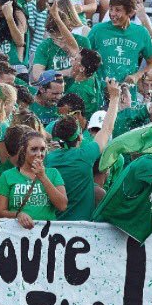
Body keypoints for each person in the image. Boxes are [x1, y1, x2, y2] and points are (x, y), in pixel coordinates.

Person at [47, 79, 120, 222]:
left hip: (52, 229)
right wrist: (114, 98)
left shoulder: (47, 158)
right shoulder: (85, 155)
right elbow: (106, 130)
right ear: (80, 137)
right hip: (82, 230)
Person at [88, 0, 152, 84]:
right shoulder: (98, 30)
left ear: (131, 12)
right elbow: (83, 55)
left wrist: (136, 76)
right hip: (101, 90)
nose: (112, 14)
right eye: (111, 9)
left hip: (127, 91)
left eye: (117, 10)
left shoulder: (141, 32)